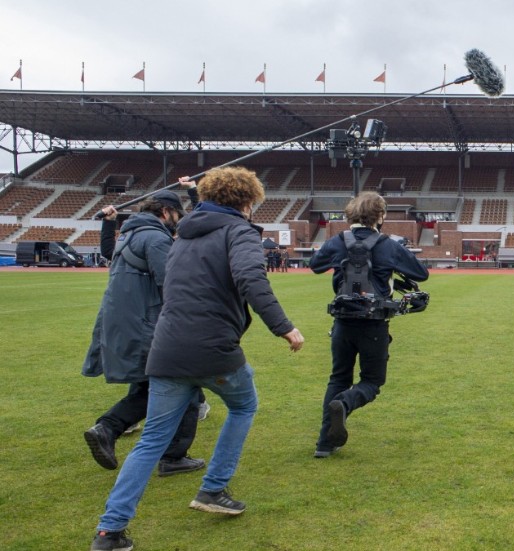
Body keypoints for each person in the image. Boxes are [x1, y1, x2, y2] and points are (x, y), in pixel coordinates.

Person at [89, 166, 304, 551]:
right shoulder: (239, 232)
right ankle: (213, 489)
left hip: (167, 347)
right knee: (244, 407)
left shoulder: (181, 237)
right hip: (212, 349)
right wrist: (285, 327)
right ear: (248, 202)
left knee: (152, 439)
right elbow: (251, 279)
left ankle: (109, 531)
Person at [81, 182, 205, 478]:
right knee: (184, 383)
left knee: (149, 385)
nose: (179, 219)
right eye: (176, 213)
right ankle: (170, 454)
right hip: (146, 324)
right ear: (165, 212)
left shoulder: (130, 235)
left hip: (126, 322)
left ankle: (108, 429)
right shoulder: (156, 239)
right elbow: (171, 285)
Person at [310, 191, 429, 458]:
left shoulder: (338, 241)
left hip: (342, 322)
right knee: (372, 381)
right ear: (380, 216)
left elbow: (314, 265)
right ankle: (345, 402)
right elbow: (421, 273)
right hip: (374, 323)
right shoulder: (388, 244)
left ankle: (324, 444)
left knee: (338, 378)